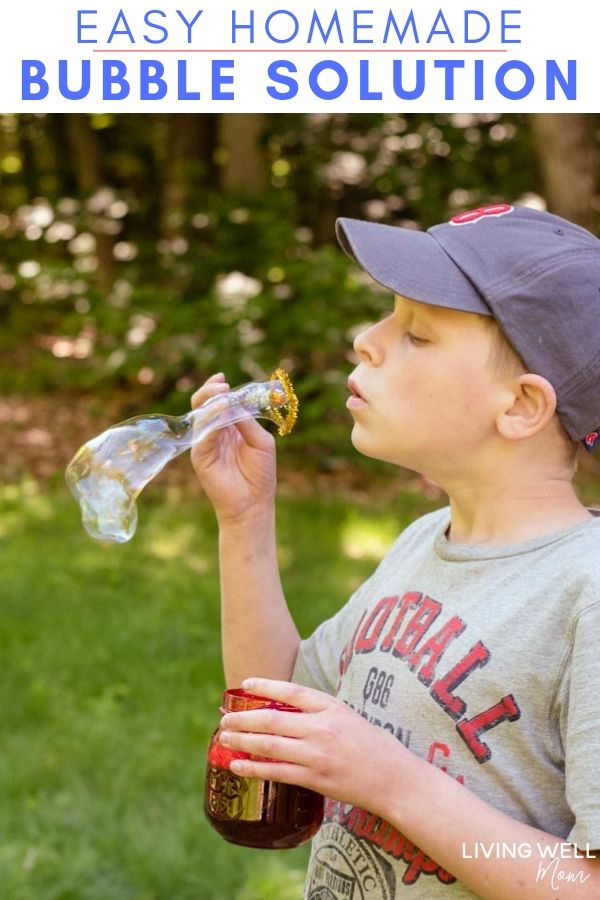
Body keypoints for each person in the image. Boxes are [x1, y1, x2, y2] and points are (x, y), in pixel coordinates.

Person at [191, 203, 600, 899]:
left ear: (523, 406)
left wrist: (390, 781)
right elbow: (278, 704)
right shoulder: (423, 542)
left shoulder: (582, 593)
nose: (366, 341)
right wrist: (245, 521)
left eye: (416, 334)